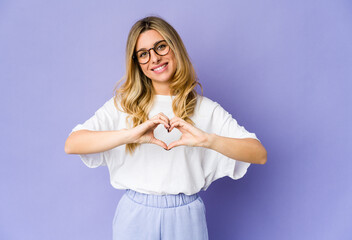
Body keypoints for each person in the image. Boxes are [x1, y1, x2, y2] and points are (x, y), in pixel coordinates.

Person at [65, 15, 267, 240]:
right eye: (143, 54)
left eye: (160, 47)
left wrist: (207, 140)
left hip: (186, 216)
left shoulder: (204, 109)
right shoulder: (124, 106)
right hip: (135, 214)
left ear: (174, 47)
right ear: (137, 63)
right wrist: (130, 134)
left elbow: (258, 153)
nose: (154, 58)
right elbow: (73, 144)